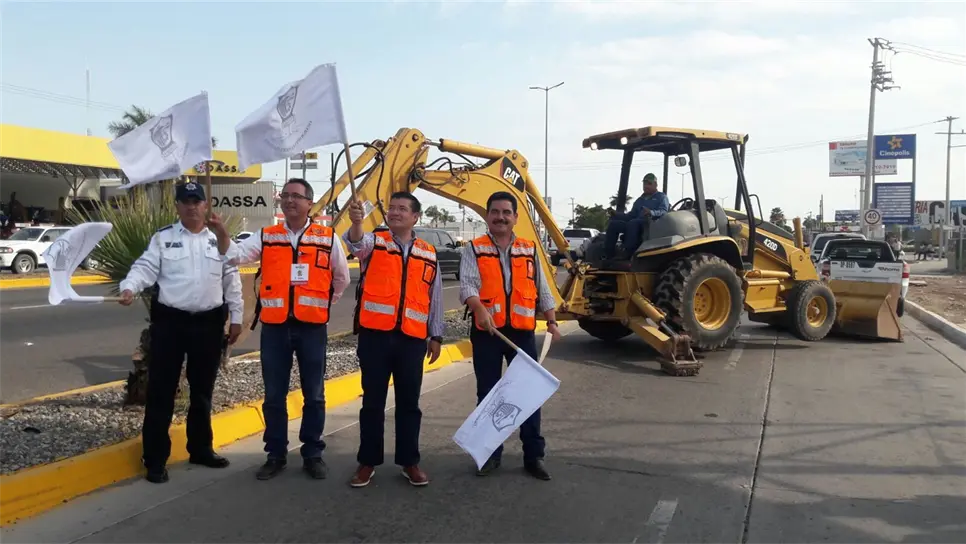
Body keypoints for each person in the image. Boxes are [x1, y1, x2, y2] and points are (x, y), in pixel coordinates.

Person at [212, 178, 350, 481]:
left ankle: (312, 453)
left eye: (296, 196)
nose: (289, 201)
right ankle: (275, 454)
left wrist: (323, 306)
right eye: (285, 196)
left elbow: (341, 278)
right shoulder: (268, 235)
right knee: (274, 395)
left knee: (314, 395)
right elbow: (234, 256)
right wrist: (222, 231)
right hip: (275, 328)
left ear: (309, 203)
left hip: (312, 327)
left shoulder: (328, 238)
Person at [118, 181, 244, 484]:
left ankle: (200, 449)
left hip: (208, 324)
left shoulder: (220, 240)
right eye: (185, 201)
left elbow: (232, 276)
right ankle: (156, 459)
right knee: (161, 392)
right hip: (171, 324)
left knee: (202, 392)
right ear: (176, 206)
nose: (191, 206)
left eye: (196, 201)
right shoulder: (163, 238)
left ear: (205, 205)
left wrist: (237, 317)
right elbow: (145, 267)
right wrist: (129, 287)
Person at [342, 191, 444, 488]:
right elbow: (355, 243)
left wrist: (435, 335)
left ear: (415, 217)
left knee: (409, 404)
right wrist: (357, 222)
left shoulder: (427, 252)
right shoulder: (376, 241)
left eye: (402, 209)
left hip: (412, 340)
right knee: (372, 403)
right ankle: (367, 462)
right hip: (375, 338)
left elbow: (434, 297)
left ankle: (409, 462)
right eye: (392, 208)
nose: (395, 212)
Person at [460, 191, 562, 480]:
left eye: (506, 212)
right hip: (487, 333)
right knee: (489, 395)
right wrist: (478, 307)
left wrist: (552, 321)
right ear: (488, 216)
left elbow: (542, 289)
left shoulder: (529, 249)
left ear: (515, 218)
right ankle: (489, 454)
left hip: (522, 333)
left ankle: (534, 456)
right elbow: (467, 285)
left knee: (527, 396)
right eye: (495, 212)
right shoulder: (474, 248)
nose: (500, 217)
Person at [603, 173, 670, 260]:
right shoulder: (640, 200)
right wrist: (616, 214)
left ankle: (628, 252)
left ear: (655, 185)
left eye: (649, 184)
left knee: (633, 223)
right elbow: (631, 215)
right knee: (614, 224)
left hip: (651, 224)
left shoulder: (661, 197)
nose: (646, 186)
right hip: (634, 224)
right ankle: (609, 254)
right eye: (645, 184)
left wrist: (651, 212)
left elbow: (664, 211)